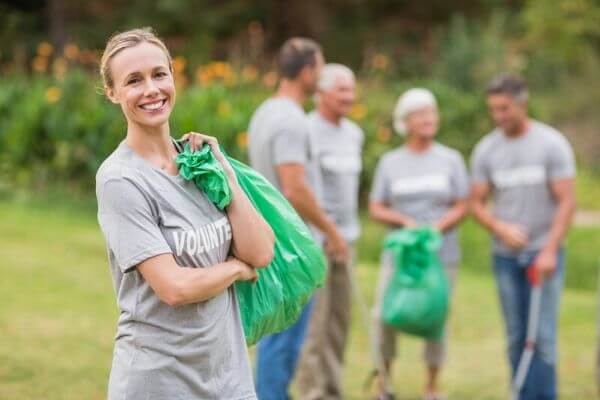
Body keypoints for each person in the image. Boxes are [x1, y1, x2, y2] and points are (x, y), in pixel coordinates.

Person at [95, 27, 275, 400]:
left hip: (229, 376)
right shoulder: (120, 180)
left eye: (159, 74)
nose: (151, 89)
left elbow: (261, 253)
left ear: (173, 76)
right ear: (113, 93)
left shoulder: (199, 165)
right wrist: (235, 270)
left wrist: (225, 173)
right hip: (160, 381)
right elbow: (174, 288)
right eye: (133, 81)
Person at [248, 38, 349, 400]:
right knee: (284, 340)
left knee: (274, 337)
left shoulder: (265, 111)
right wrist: (331, 231)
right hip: (290, 247)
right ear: (307, 72)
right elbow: (294, 187)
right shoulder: (291, 120)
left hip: (268, 238)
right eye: (320, 69)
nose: (321, 77)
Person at [470, 74, 576, 400]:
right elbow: (474, 202)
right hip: (505, 257)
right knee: (516, 335)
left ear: (522, 103)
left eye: (504, 109)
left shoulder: (551, 144)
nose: (499, 117)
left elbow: (568, 201)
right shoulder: (487, 149)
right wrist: (499, 228)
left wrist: (549, 250)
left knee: (542, 336)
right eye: (493, 110)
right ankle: (522, 393)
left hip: (544, 256)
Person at [369, 88, 469, 400]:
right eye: (420, 113)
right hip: (400, 255)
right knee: (385, 316)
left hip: (441, 254)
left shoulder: (450, 159)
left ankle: (431, 387)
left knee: (435, 315)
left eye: (432, 112)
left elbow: (462, 204)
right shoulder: (390, 162)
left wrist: (436, 228)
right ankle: (384, 384)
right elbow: (376, 206)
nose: (428, 119)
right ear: (405, 121)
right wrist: (405, 222)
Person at [295, 63, 364, 400]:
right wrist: (327, 232)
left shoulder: (354, 133)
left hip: (347, 241)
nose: (349, 97)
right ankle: (311, 392)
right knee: (314, 326)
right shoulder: (305, 130)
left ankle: (333, 390)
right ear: (320, 93)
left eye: (351, 90)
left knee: (339, 324)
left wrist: (344, 237)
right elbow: (301, 188)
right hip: (317, 241)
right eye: (342, 91)